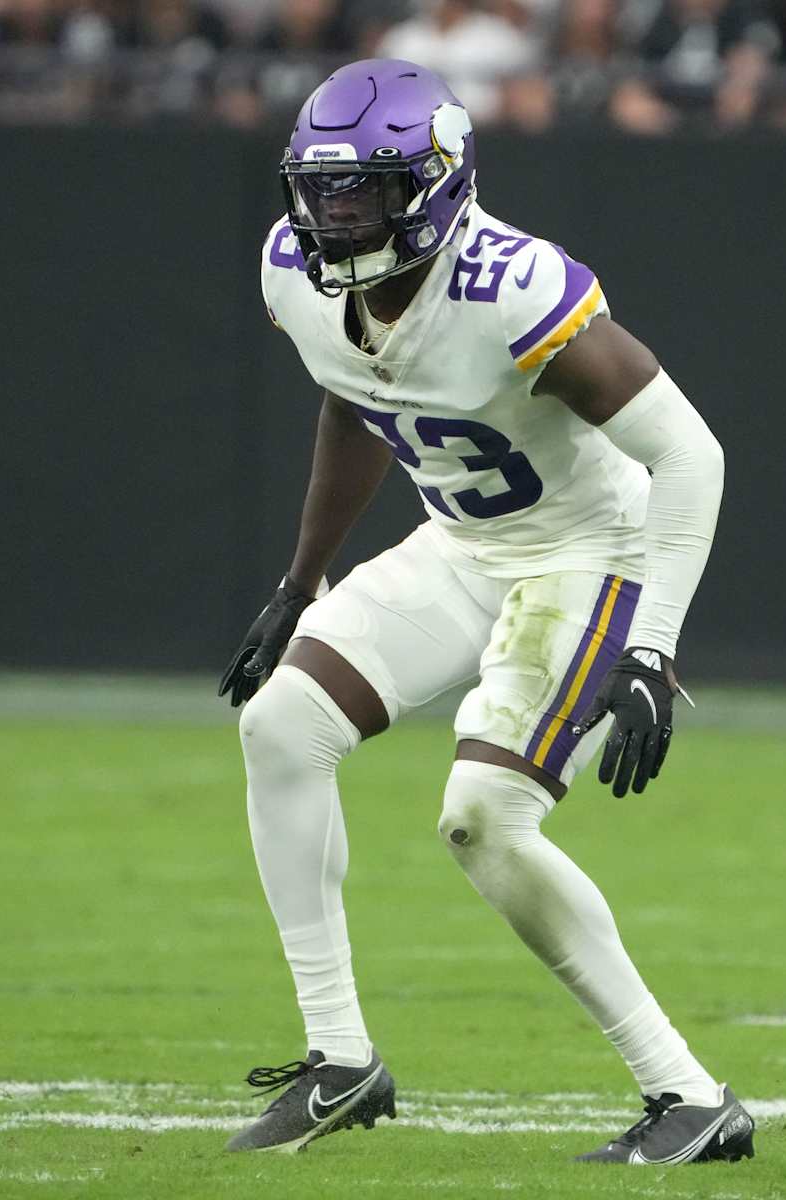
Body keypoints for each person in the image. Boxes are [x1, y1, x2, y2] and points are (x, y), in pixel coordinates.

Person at [218, 58, 753, 1166]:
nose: (335, 214)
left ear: (437, 184)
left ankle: (690, 1096)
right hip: (467, 545)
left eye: (363, 190)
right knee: (278, 726)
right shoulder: (296, 271)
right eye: (321, 190)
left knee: (484, 817)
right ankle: (339, 1061)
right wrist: (300, 579)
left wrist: (652, 646)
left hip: (590, 554)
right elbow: (356, 400)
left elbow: (689, 455)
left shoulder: (511, 288)